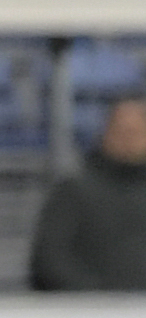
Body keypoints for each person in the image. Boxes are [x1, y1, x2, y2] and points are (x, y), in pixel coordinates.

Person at [30, 95, 146, 292]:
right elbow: (50, 258)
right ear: (105, 133)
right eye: (121, 131)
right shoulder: (73, 191)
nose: (128, 140)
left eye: (135, 132)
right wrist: (93, 298)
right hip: (86, 316)